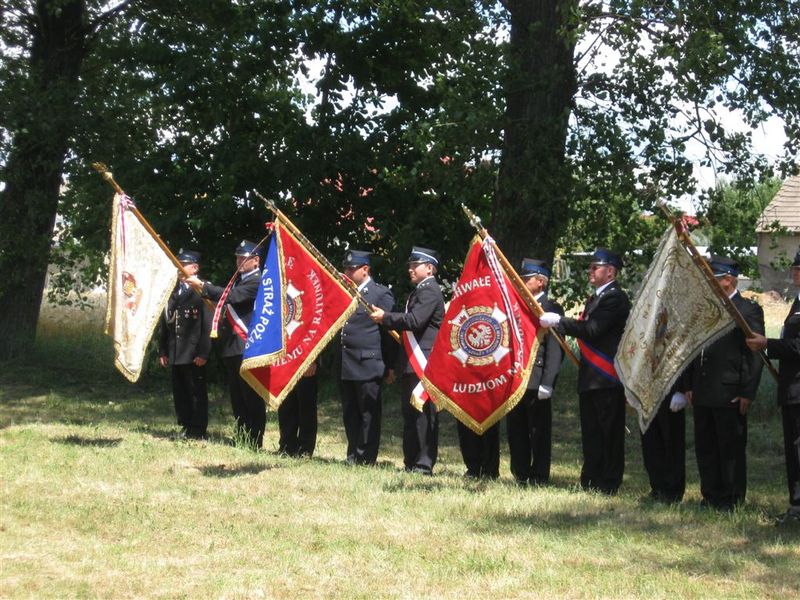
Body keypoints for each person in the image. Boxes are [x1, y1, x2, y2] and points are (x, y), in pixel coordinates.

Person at [540, 248, 631, 494]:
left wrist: (559, 322)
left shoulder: (615, 298)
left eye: (595, 267)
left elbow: (592, 330)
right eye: (590, 267)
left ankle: (609, 482)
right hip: (591, 376)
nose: (590, 271)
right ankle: (591, 480)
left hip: (607, 377)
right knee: (591, 432)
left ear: (610, 271)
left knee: (608, 433)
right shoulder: (595, 298)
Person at [687, 255, 763, 510]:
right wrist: (688, 385)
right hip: (703, 388)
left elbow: (754, 355)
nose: (709, 283)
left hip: (730, 390)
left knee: (729, 446)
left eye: (714, 279)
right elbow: (693, 350)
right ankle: (710, 495)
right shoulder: (706, 308)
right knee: (706, 445)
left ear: (728, 280)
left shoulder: (748, 310)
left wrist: (747, 392)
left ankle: (731, 498)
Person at [370, 246, 445, 475]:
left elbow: (415, 321)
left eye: (415, 265)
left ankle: (423, 463)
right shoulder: (419, 291)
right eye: (410, 265)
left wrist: (386, 317)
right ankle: (411, 460)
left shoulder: (430, 291)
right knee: (411, 416)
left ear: (429, 269)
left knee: (423, 416)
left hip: (424, 362)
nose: (410, 269)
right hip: (412, 361)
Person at [187, 239, 266, 449]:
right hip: (232, 346)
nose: (239, 261)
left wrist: (204, 286)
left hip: (247, 344)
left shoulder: (257, 281)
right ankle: (242, 436)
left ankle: (254, 440)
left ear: (256, 261)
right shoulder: (238, 280)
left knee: (251, 397)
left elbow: (233, 297)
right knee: (237, 397)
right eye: (238, 257)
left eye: (244, 257)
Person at [746, 250, 800, 524]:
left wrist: (768, 344)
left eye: (798, 269)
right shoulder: (797, 302)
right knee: (793, 450)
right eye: (794, 268)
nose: (794, 273)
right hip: (791, 391)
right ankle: (795, 505)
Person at [506, 258, 564, 485]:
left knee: (538, 431)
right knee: (516, 429)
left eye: (526, 279)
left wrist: (548, 381)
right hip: (517, 377)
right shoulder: (518, 305)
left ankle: (539, 474)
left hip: (537, 377)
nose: (522, 283)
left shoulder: (550, 308)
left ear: (540, 282)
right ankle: (520, 472)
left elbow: (554, 347)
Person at [339, 250, 396, 465]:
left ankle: (366, 457)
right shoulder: (345, 292)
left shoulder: (380, 294)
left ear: (365, 270)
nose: (347, 272)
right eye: (346, 268)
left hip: (369, 361)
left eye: (352, 269)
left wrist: (390, 365)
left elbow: (388, 333)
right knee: (350, 411)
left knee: (368, 413)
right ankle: (353, 454)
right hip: (348, 361)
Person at [158, 249, 212, 440]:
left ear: (195, 268)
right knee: (180, 391)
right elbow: (166, 323)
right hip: (175, 349)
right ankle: (186, 424)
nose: (180, 269)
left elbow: (207, 325)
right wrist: (163, 349)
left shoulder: (201, 289)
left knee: (195, 391)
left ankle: (198, 429)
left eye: (184, 264)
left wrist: (203, 352)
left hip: (192, 351)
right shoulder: (172, 290)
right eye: (178, 264)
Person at [640, 384, 688, 503]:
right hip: (647, 388)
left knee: (671, 438)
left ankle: (673, 490)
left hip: (671, 388)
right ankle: (657, 487)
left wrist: (681, 389)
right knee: (650, 439)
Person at [277, 363, 318, 457]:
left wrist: (313, 361)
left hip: (306, 359)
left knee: (306, 408)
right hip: (285, 361)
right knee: (285, 405)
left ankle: (305, 450)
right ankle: (287, 447)